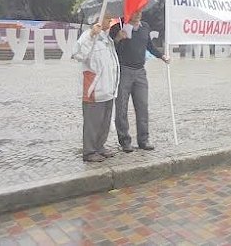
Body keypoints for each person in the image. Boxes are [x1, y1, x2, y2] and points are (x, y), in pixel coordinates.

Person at [110, 11, 169, 152]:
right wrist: (118, 38)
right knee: (121, 107)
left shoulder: (145, 27)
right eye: (134, 11)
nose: (137, 14)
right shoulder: (118, 27)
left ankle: (144, 140)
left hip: (140, 71)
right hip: (124, 70)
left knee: (143, 106)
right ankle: (125, 141)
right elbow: (111, 48)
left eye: (139, 11)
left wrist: (162, 56)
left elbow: (149, 46)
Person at [72, 14, 119, 163]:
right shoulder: (88, 36)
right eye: (107, 17)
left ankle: (100, 147)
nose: (110, 20)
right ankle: (89, 151)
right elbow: (78, 54)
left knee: (104, 121)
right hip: (94, 88)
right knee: (93, 122)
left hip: (108, 88)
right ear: (97, 19)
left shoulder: (106, 38)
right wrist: (91, 34)